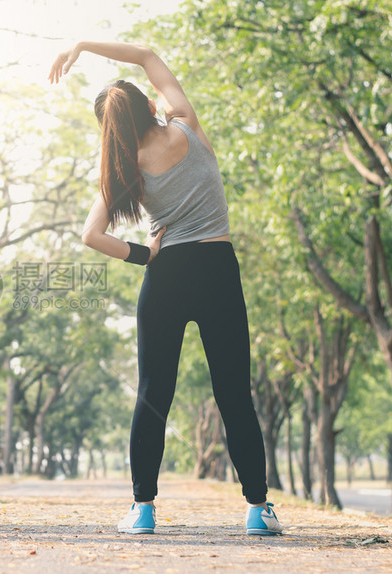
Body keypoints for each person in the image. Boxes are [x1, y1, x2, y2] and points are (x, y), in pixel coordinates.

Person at [48, 41, 283, 536]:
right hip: (218, 267)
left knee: (154, 394)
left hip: (166, 273)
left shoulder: (123, 170)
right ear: (148, 105)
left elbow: (91, 235)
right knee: (234, 394)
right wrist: (84, 45)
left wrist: (142, 254)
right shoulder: (185, 124)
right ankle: (259, 510)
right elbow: (149, 55)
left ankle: (143, 510)